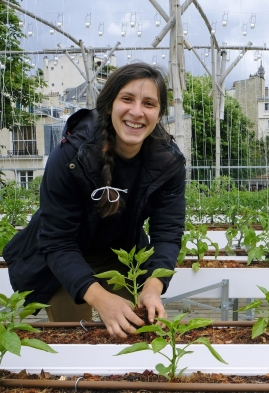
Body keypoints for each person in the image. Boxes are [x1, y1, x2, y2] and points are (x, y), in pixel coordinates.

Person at [3, 62, 186, 338]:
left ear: (159, 114)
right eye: (127, 99)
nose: (137, 112)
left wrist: (153, 285)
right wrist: (100, 299)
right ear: (109, 104)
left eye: (149, 103)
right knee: (76, 337)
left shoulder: (168, 161)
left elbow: (167, 233)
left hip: (119, 254)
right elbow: (56, 240)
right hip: (63, 258)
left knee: (133, 331)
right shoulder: (71, 155)